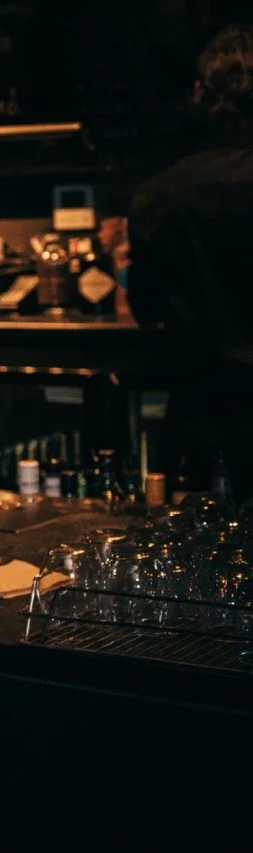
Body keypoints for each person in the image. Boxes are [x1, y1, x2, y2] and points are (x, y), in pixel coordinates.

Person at [127, 22, 252, 504]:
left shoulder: (159, 195)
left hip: (204, 423)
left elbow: (146, 307)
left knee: (200, 566)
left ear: (202, 95)